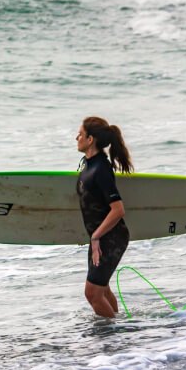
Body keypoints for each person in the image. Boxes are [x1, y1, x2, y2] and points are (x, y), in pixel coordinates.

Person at [75, 116, 133, 318]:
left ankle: (112, 336)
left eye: (80, 134)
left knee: (92, 293)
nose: (77, 137)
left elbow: (118, 210)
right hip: (101, 237)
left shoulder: (100, 169)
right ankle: (117, 329)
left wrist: (96, 236)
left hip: (110, 237)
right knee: (102, 289)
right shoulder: (89, 165)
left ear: (90, 139)